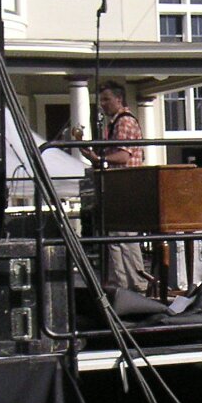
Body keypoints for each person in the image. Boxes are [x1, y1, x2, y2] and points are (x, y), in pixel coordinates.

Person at [73, 80, 150, 292]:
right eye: (101, 100)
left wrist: (99, 158)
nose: (103, 104)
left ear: (119, 99)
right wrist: (94, 156)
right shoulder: (115, 123)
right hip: (119, 186)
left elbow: (123, 156)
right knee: (116, 237)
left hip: (125, 186)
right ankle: (122, 284)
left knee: (124, 237)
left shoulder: (124, 122)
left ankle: (136, 283)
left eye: (107, 99)